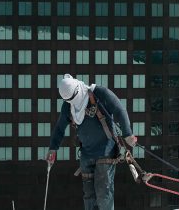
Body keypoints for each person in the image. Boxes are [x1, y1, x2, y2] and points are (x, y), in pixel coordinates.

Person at [46, 74, 137, 210]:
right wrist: (52, 149)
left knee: (103, 194)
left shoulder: (99, 93)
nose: (72, 101)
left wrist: (128, 134)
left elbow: (119, 110)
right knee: (89, 197)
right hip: (86, 155)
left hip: (105, 153)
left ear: (78, 88)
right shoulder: (69, 106)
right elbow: (59, 128)